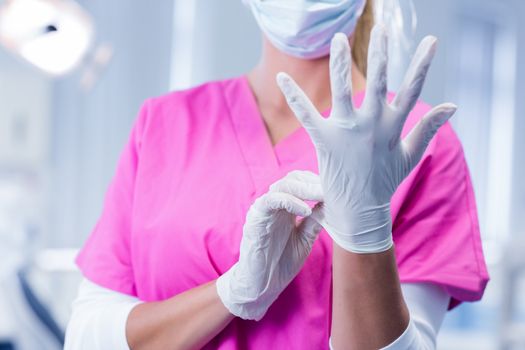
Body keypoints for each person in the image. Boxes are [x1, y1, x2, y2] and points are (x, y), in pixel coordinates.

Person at [64, 0, 489, 349]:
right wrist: (232, 293)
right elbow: (86, 337)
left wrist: (364, 228)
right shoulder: (164, 124)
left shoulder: (413, 144)